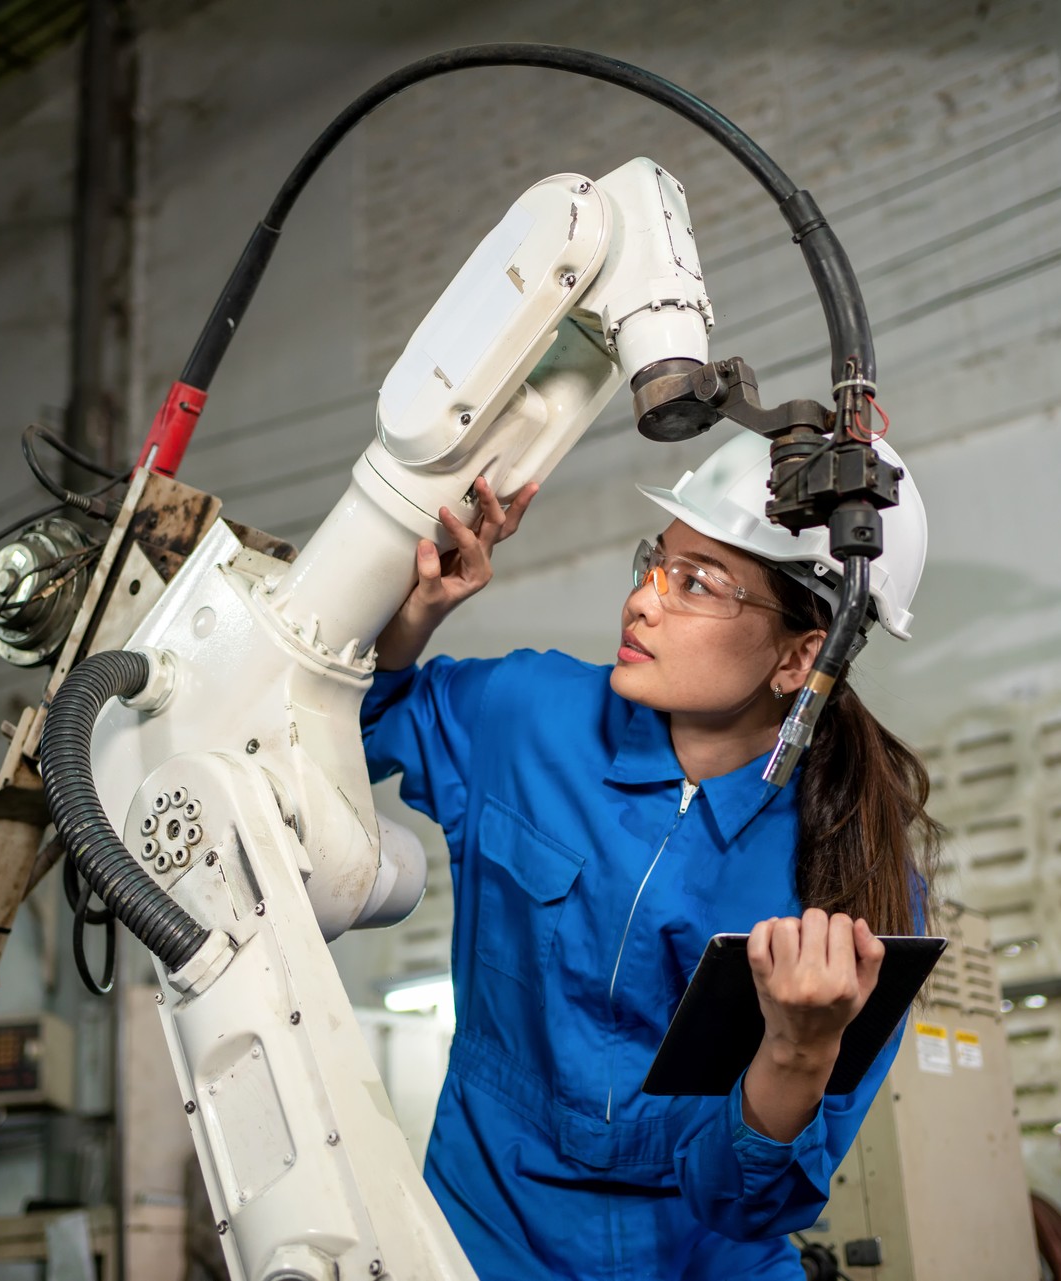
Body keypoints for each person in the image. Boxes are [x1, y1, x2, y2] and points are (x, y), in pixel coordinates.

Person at [361, 431, 940, 1280]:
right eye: (654, 564)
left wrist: (800, 1051)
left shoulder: (848, 878)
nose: (642, 601)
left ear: (798, 657)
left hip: (702, 1257)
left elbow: (746, 1205)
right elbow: (350, 724)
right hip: (488, 1233)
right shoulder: (527, 717)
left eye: (697, 583)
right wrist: (415, 612)